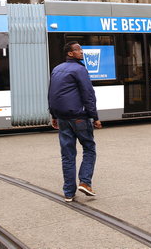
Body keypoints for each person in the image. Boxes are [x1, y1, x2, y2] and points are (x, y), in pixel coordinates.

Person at [48, 41, 102, 202]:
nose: (82, 52)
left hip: (63, 118)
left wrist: (54, 115)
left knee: (67, 154)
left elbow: (51, 94)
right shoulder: (80, 69)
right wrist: (95, 117)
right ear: (70, 53)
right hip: (79, 117)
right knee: (89, 148)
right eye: (78, 50)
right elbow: (88, 94)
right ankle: (85, 182)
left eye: (81, 49)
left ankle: (68, 192)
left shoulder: (56, 69)